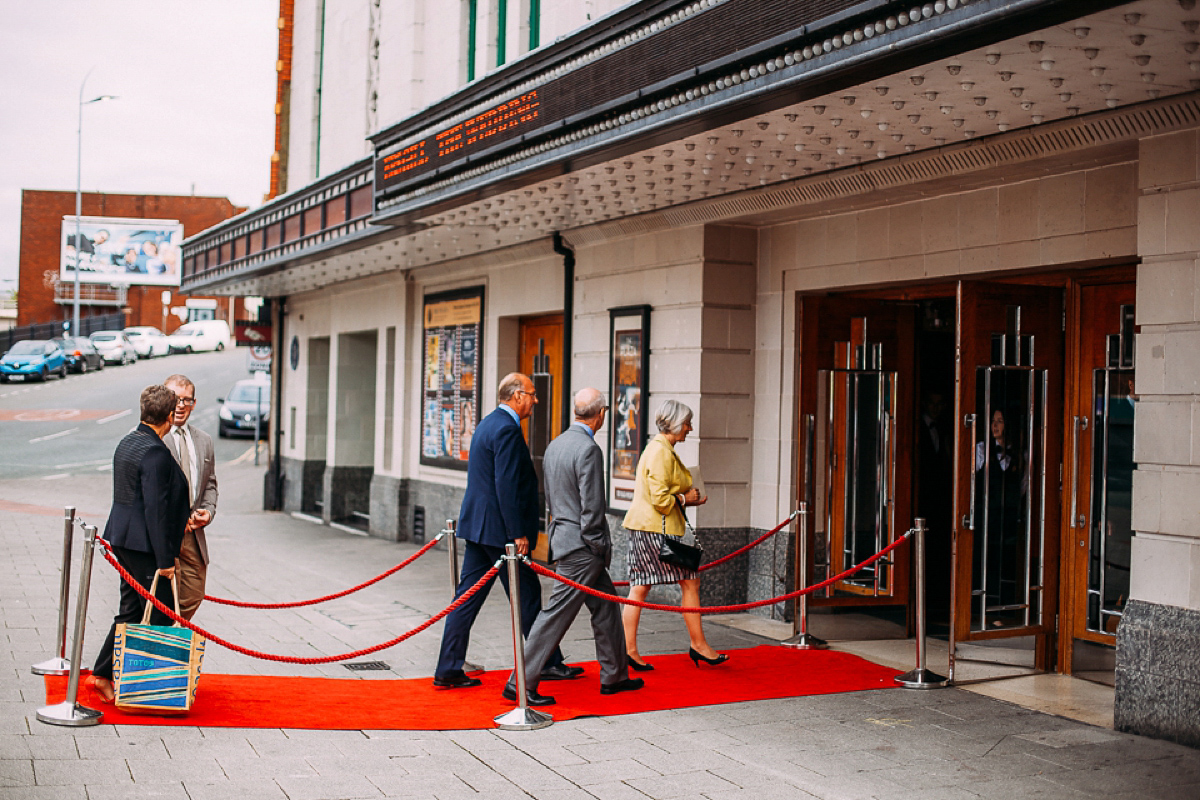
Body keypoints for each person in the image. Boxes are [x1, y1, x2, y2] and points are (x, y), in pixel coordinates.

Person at [433, 373, 580, 690]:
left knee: (467, 598)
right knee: (527, 596)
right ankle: (547, 662)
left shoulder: (488, 423)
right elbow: (507, 485)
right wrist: (518, 533)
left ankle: (448, 667)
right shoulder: (508, 429)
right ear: (516, 396)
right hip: (501, 533)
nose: (535, 400)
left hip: (479, 527)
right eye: (532, 393)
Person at [503, 389, 644, 706]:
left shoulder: (556, 444)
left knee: (607, 606)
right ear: (602, 414)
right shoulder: (589, 449)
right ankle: (519, 682)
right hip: (583, 545)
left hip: (564, 538)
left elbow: (552, 499)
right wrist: (598, 545)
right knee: (555, 615)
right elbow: (592, 507)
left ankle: (615, 676)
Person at [90, 385, 191, 702]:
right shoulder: (156, 453)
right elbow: (155, 510)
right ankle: (149, 684)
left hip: (124, 539)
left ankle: (104, 674)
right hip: (144, 546)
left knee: (132, 609)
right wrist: (165, 560)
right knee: (160, 613)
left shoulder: (129, 441)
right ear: (168, 417)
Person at [622, 399, 727, 668]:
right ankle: (695, 645)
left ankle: (631, 650)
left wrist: (685, 497)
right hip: (653, 530)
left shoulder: (661, 448)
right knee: (652, 586)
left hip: (650, 529)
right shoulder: (660, 452)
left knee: (649, 586)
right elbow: (660, 499)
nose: (690, 429)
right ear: (675, 424)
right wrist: (684, 498)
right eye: (687, 423)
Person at [162, 374, 219, 621]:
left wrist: (208, 511)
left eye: (187, 400)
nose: (180, 405)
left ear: (194, 404)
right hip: (163, 533)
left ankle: (172, 632)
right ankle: (161, 642)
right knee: (161, 596)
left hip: (193, 534)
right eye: (175, 399)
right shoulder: (155, 437)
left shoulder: (204, 440)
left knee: (194, 592)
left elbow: (210, 485)